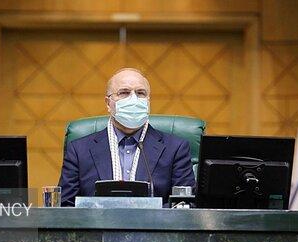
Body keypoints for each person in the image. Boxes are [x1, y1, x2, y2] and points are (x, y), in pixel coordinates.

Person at [58, 68, 196, 206]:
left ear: (148, 101)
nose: (133, 99)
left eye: (140, 93)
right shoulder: (78, 150)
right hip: (95, 220)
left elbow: (184, 204)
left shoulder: (175, 149)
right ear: (108, 103)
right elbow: (65, 205)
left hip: (154, 221)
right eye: (124, 93)